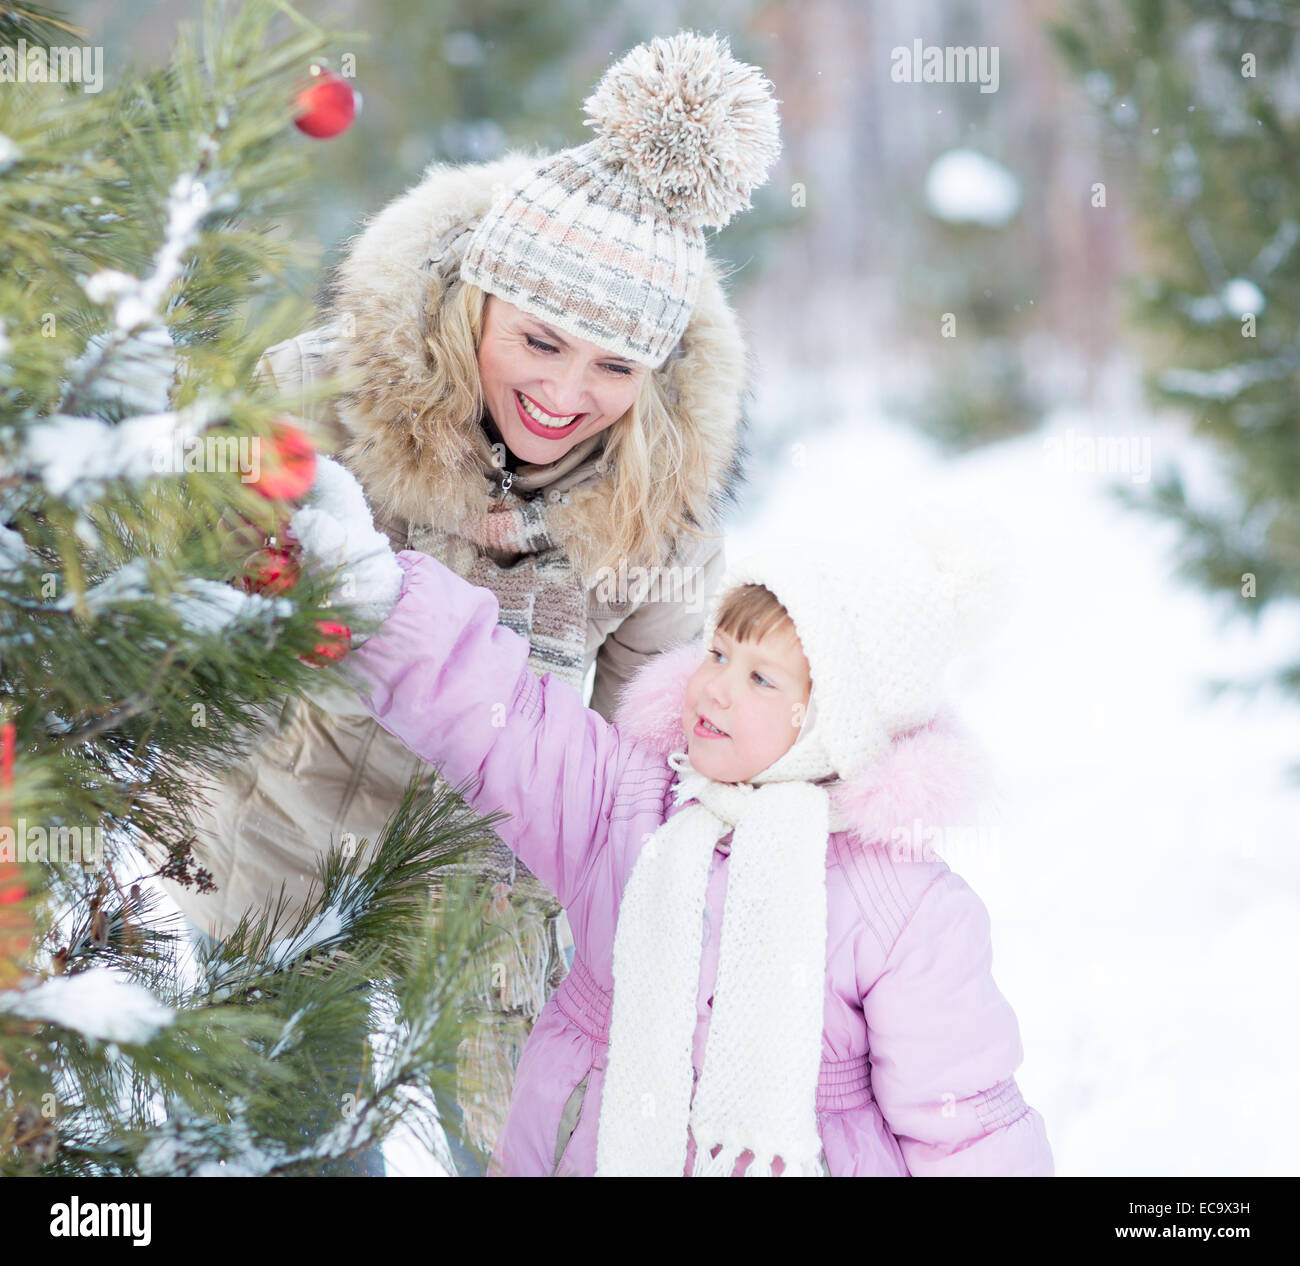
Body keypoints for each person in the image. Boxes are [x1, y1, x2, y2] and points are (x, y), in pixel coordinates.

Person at [159, 30, 782, 1173]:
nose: (562, 392)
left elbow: (650, 726)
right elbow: (186, 594)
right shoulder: (322, 396)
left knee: (534, 1153)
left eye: (611, 365)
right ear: (477, 305)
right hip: (283, 846)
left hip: (501, 888)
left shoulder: (663, 507)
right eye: (539, 340)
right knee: (273, 1146)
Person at [302, 448, 1055, 1177]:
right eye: (719, 653)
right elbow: (503, 722)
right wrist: (372, 592)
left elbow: (965, 1122)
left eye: (762, 678)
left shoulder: (904, 905)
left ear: (838, 721)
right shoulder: (628, 800)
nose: (716, 688)